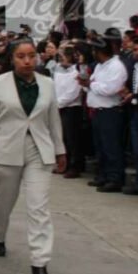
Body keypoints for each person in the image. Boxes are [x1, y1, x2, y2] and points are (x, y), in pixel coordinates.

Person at [0, 39, 66, 274]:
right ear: (12, 58)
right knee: (5, 202)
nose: (28, 61)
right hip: (6, 150)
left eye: (32, 55)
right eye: (21, 56)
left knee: (38, 207)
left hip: (39, 151)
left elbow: (53, 120)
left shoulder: (48, 84)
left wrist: (60, 149)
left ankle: (39, 261)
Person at [80, 36, 128, 193]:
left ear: (100, 51)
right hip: (97, 111)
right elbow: (93, 85)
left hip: (109, 111)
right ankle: (103, 175)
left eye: (94, 50)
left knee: (111, 146)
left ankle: (115, 179)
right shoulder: (100, 66)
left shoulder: (116, 66)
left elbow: (110, 89)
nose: (92, 52)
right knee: (100, 146)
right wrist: (86, 84)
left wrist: (91, 85)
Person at [54, 45, 84, 178]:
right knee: (63, 138)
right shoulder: (58, 70)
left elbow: (73, 93)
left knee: (73, 139)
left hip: (71, 108)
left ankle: (75, 166)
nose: (61, 59)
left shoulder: (76, 72)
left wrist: (58, 103)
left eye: (63, 56)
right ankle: (64, 164)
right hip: (59, 107)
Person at [122, 36, 138, 195]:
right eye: (134, 49)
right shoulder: (134, 66)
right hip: (134, 111)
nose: (135, 52)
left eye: (137, 49)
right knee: (136, 148)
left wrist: (134, 96)